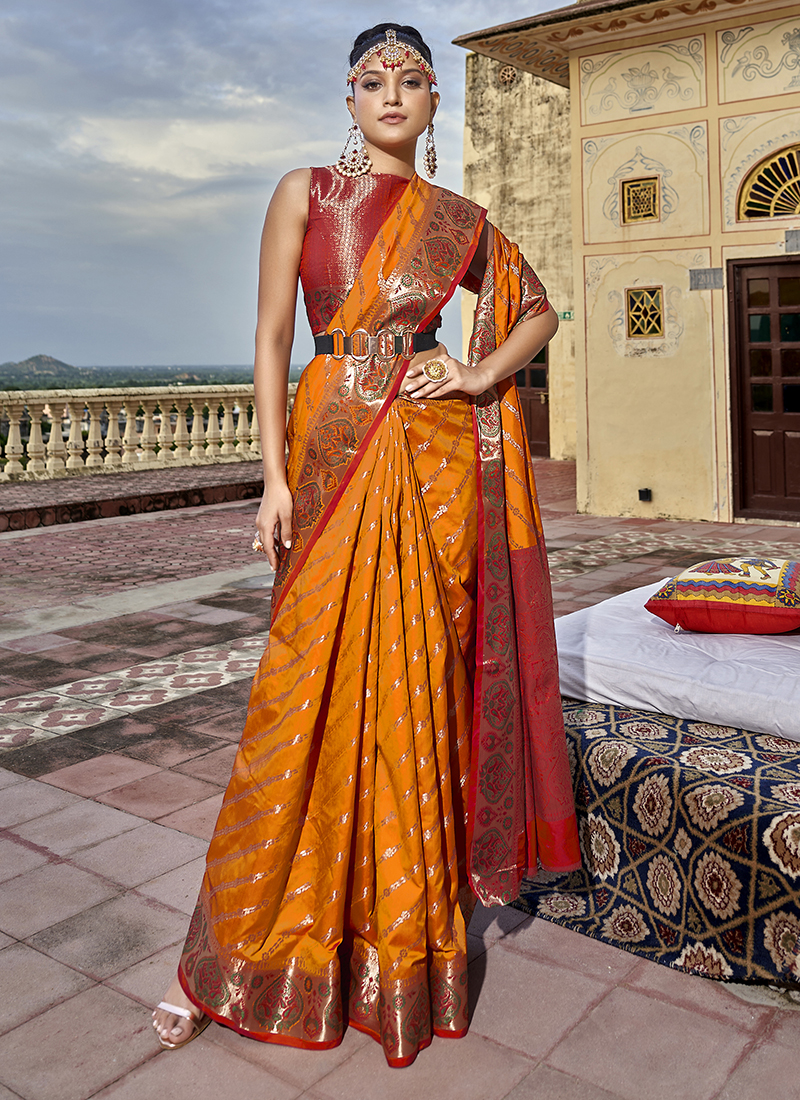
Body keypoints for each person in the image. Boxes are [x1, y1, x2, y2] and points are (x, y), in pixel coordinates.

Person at [152, 22, 580, 1068]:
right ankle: (228, 954)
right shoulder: (305, 193)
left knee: (412, 688)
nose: (391, 93)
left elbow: (535, 312)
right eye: (370, 80)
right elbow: (265, 339)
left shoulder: (458, 220)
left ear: (434, 104)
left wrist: (477, 377)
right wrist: (270, 475)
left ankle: (400, 950)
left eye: (412, 80)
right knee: (297, 692)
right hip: (328, 429)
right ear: (348, 101)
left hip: (427, 456)